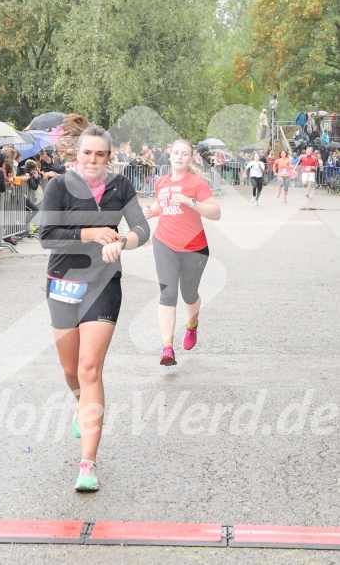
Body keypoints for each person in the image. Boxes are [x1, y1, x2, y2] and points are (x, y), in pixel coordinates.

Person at [40, 124, 150, 492]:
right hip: (63, 283)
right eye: (87, 153)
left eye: (100, 154)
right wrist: (90, 232)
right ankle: (79, 402)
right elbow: (46, 236)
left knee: (90, 368)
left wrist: (122, 241)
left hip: (103, 284)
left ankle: (87, 463)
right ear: (77, 154)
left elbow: (141, 228)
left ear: (108, 157)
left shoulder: (120, 187)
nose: (93, 159)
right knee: (71, 370)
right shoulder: (58, 186)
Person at [142, 139, 220, 366]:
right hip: (164, 242)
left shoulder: (197, 183)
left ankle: (192, 325)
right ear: (170, 155)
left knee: (189, 294)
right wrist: (152, 211)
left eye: (184, 154)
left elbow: (215, 213)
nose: (179, 157)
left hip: (194, 248)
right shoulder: (161, 182)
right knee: (168, 293)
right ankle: (167, 347)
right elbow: (161, 205)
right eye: (175, 153)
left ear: (190, 158)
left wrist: (190, 201)